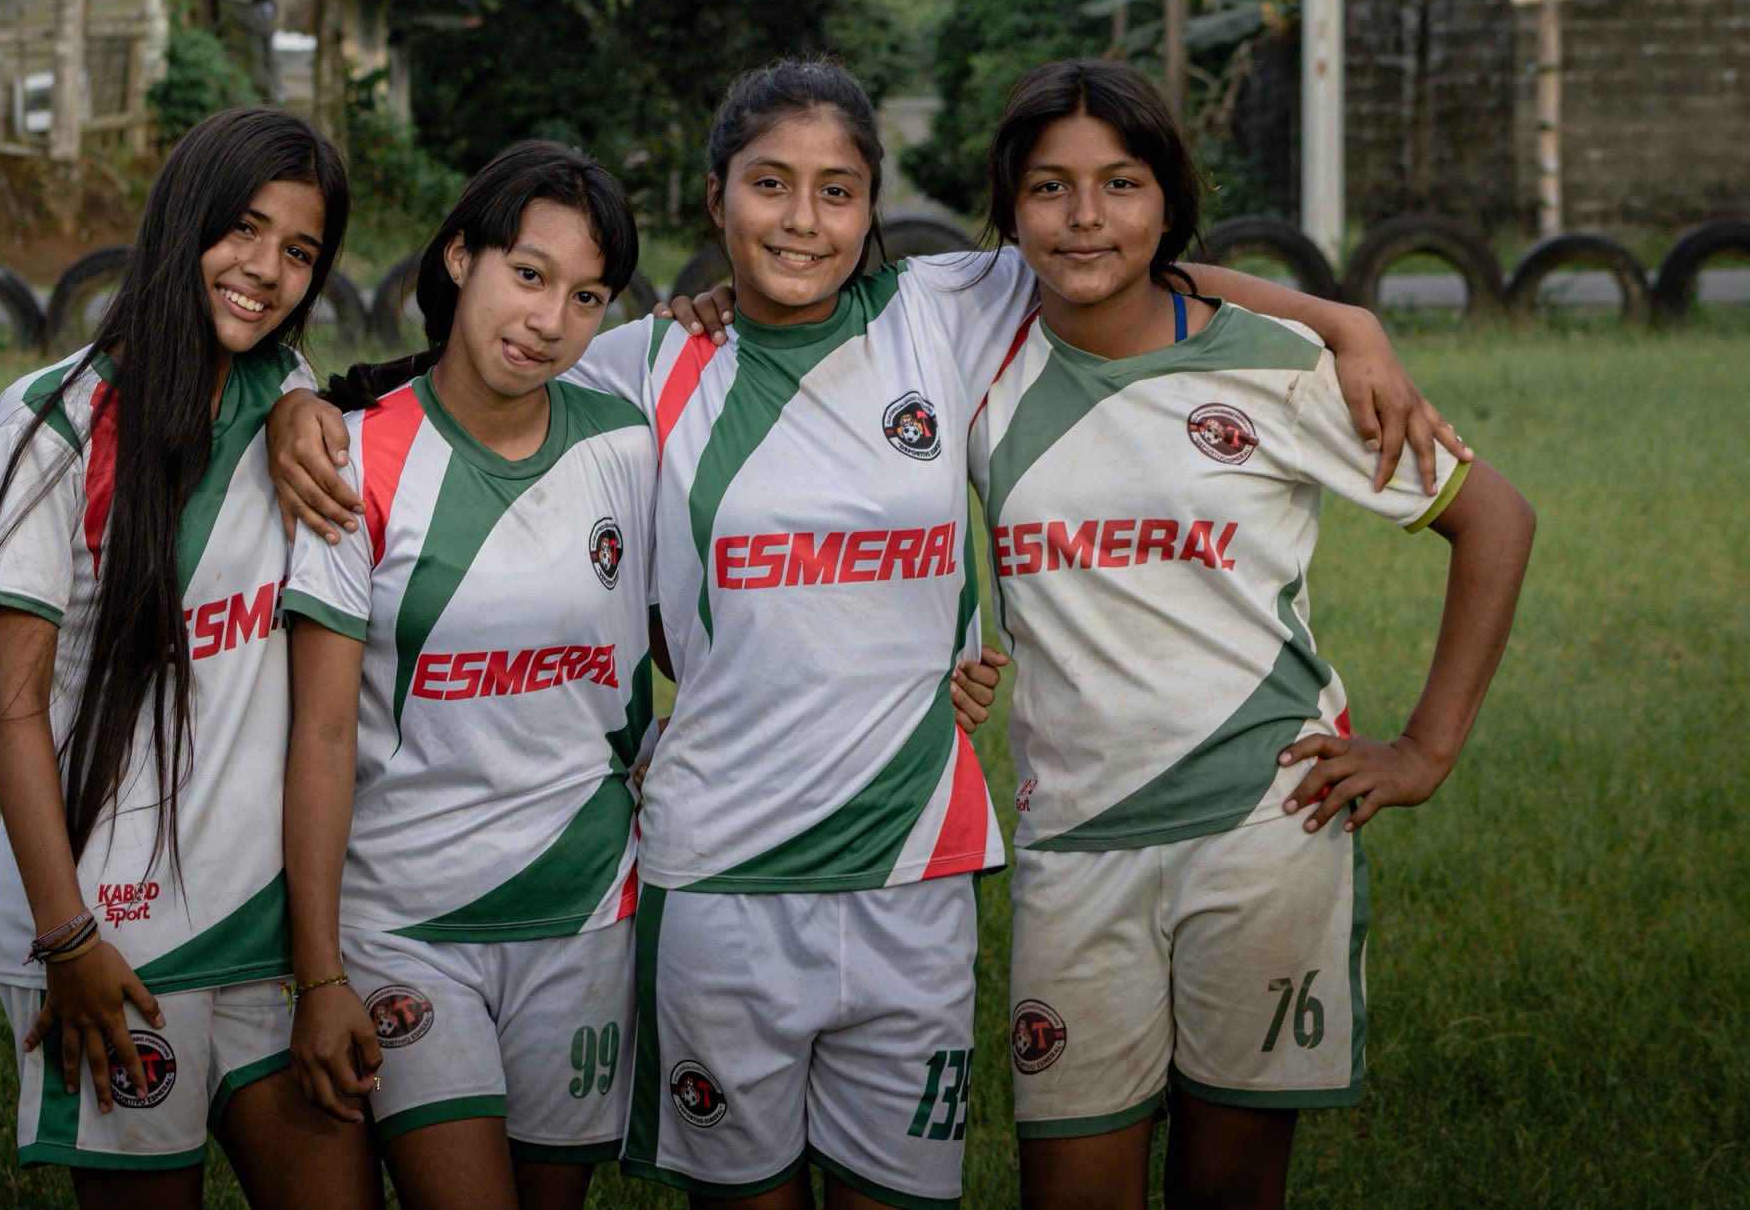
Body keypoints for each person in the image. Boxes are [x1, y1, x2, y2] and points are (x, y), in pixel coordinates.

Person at [270, 60, 1461, 1210]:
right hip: (717, 875)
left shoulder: (942, 309)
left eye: (836, 191)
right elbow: (480, 378)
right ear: (715, 196)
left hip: (913, 870)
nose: (802, 219)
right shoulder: (646, 360)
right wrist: (305, 403)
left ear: (872, 207)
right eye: (768, 184)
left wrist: (1337, 316)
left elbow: (1111, 253)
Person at [964, 59, 1533, 1210]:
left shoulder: (1275, 366)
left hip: (1264, 829)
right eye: (1047, 186)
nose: (1083, 216)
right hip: (1074, 837)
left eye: (1121, 183)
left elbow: (1494, 518)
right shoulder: (972, 351)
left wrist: (1423, 749)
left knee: (1227, 1185)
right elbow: (813, 288)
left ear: (1168, 199)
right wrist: (702, 303)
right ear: (1009, 209)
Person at [0, 106, 380, 1208]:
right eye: (243, 228)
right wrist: (68, 940)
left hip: (270, 932)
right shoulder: (53, 420)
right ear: (180, 220)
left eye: (301, 250)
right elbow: (10, 708)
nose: (266, 269)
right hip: (113, 938)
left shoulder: (292, 410)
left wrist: (299, 396)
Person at [278, 141, 660, 1210]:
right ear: (459, 257)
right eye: (528, 275)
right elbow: (319, 738)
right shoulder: (354, 458)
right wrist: (319, 972)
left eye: (586, 297)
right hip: (405, 923)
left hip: (586, 914)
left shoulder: (629, 447)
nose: (549, 320)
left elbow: (711, 637)